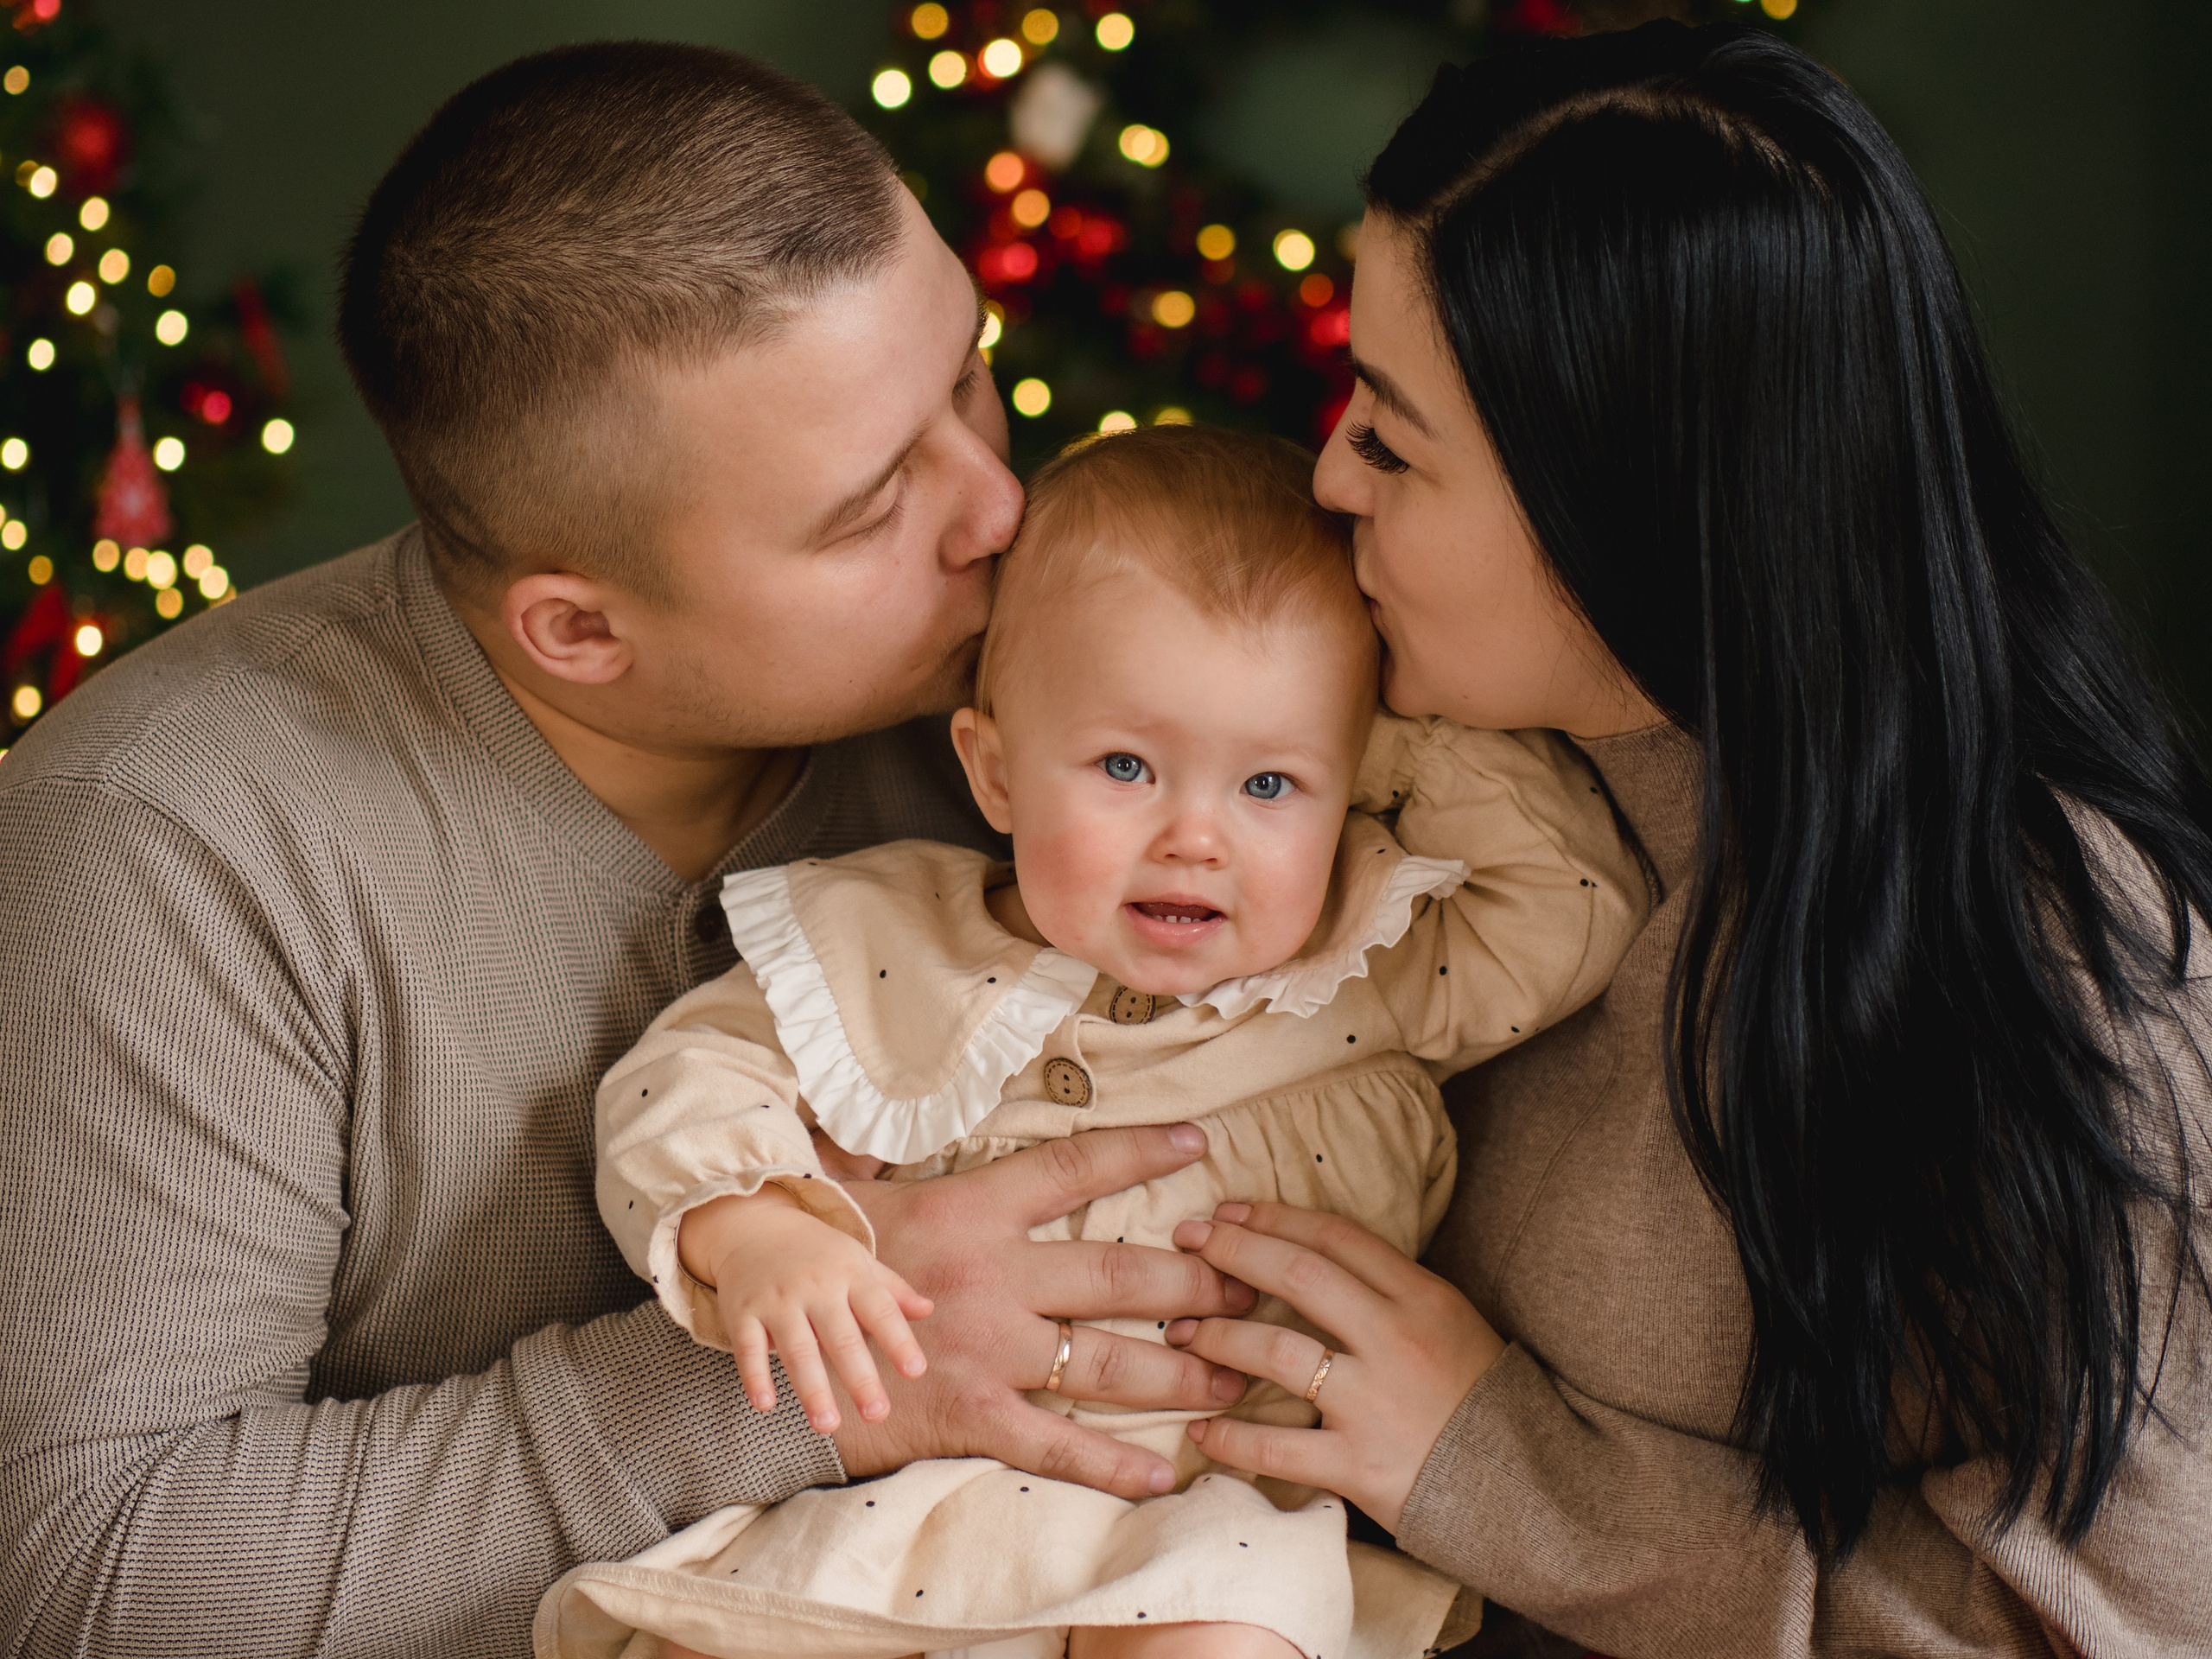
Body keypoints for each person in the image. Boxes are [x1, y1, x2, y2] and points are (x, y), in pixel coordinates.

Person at [0, 45, 1258, 1659]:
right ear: (580, 628)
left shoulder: (1051, 701)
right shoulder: (167, 849)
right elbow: (89, 1575)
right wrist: (820, 1368)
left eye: (967, 378)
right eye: (872, 509)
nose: (999, 509)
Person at [1152, 22, 2212, 1657]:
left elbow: (2112, 1629)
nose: (1328, 477)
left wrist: (1510, 1474)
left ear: (1627, 500)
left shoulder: (2038, 968)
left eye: (1393, 437)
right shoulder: (1390, 760)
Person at [541, 425, 1645, 1659]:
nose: (1196, 838)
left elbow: (1581, 903)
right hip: (896, 1506)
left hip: (1204, 1522)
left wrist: (1370, 713)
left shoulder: (1365, 970)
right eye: (1128, 764)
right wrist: (758, 1237)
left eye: (1268, 787)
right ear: (998, 772)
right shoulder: (891, 936)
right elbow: (686, 1081)